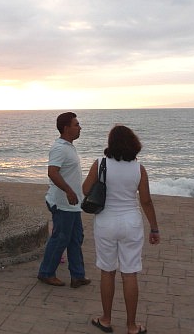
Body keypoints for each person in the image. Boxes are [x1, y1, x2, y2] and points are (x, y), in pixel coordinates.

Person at [82, 125, 160, 334]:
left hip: (106, 222)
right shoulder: (139, 168)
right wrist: (154, 228)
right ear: (133, 143)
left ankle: (106, 320)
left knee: (107, 271)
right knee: (130, 273)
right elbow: (146, 201)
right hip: (131, 223)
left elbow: (85, 189)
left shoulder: (100, 164)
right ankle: (132, 326)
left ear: (111, 143)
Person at [37, 112, 91, 288]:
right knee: (60, 238)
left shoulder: (68, 146)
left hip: (72, 205)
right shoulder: (59, 148)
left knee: (76, 238)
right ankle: (46, 273)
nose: (80, 127)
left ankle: (77, 276)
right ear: (66, 128)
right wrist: (68, 190)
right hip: (62, 204)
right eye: (76, 124)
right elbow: (52, 172)